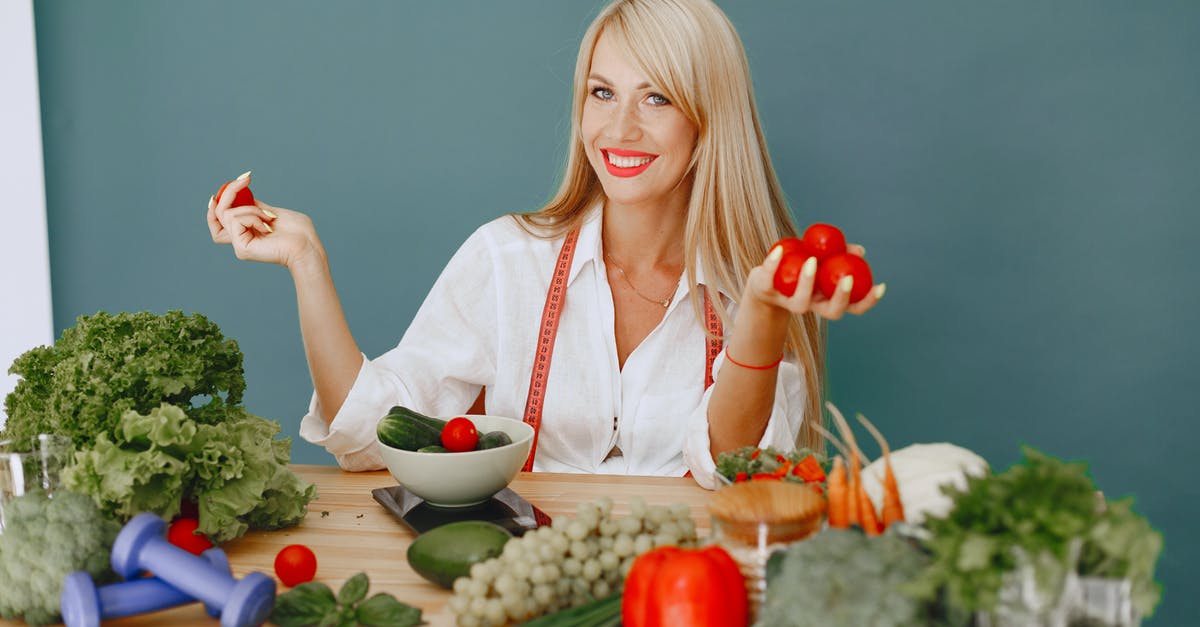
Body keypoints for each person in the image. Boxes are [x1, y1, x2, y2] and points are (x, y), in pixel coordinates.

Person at [206, 0, 882, 489]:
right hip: (527, 581)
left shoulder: (764, 289)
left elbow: (737, 469)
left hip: (689, 591)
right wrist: (307, 262)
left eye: (658, 100)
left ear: (709, 123)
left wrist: (762, 321)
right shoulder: (506, 260)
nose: (619, 128)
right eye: (602, 92)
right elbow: (366, 434)